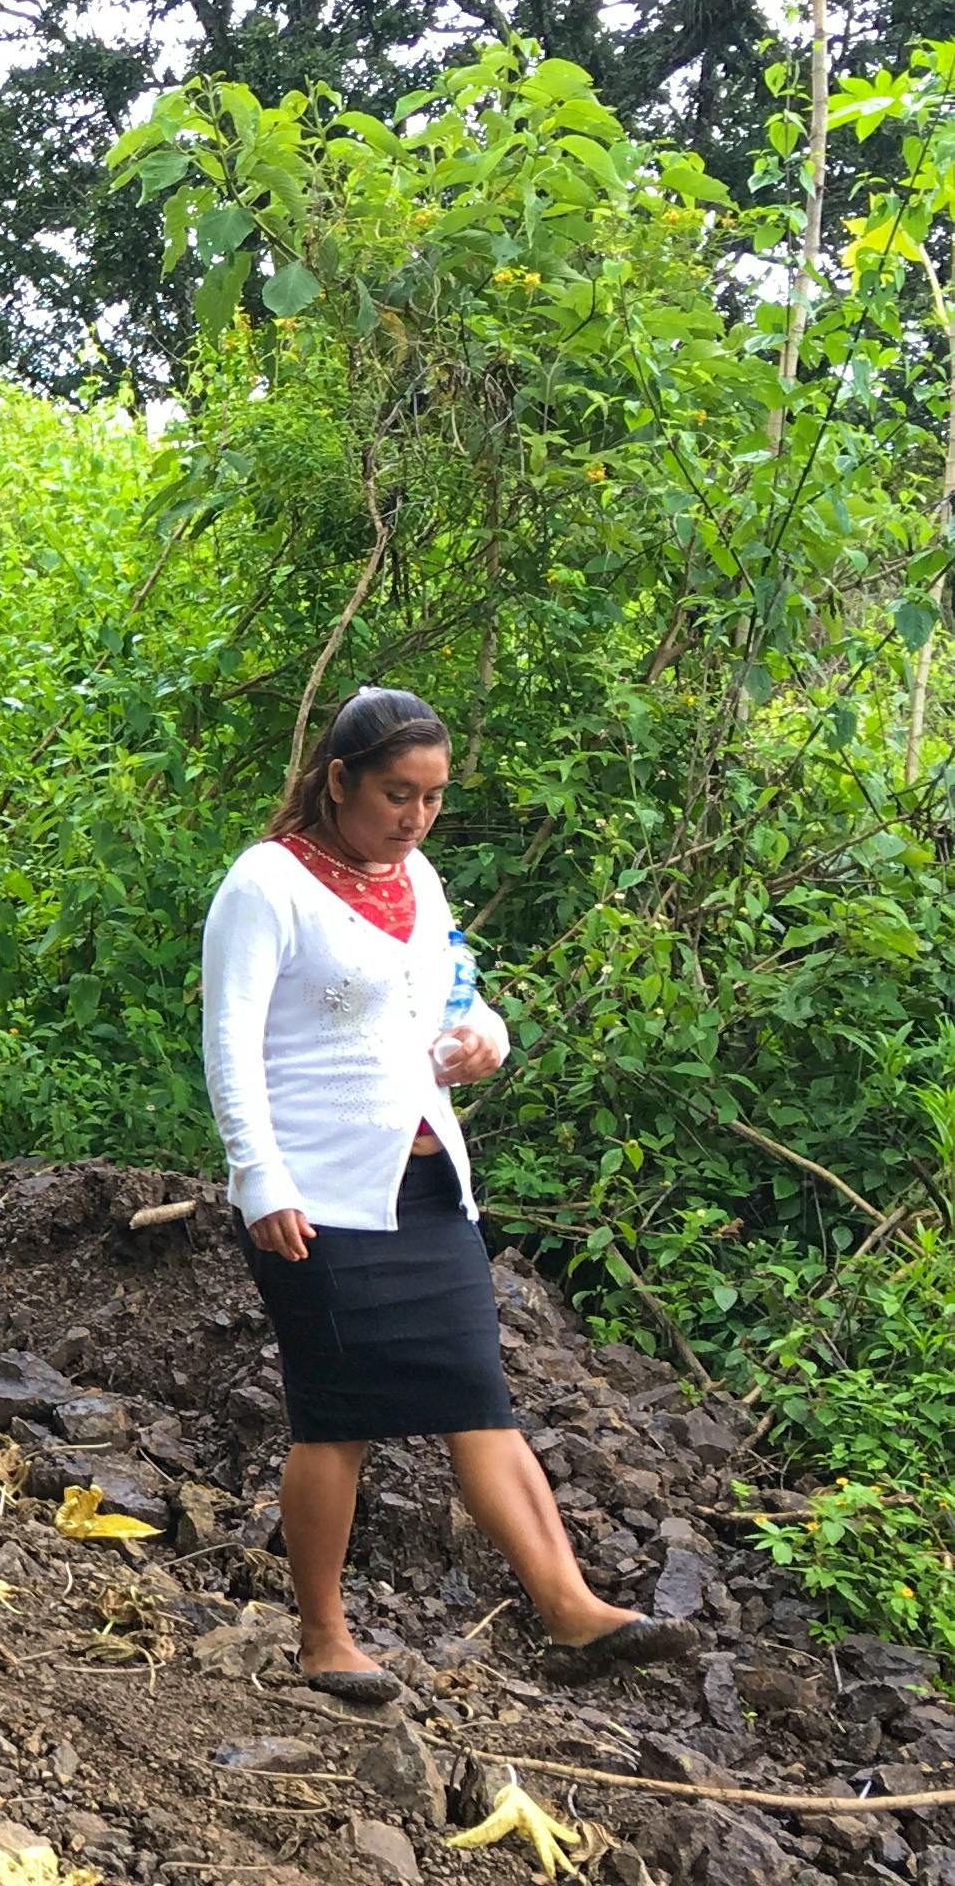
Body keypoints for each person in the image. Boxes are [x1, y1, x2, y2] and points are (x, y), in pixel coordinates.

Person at [204, 686, 697, 1699]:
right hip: (317, 1195)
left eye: (431, 798)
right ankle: (323, 1636)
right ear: (336, 780)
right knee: (332, 1417)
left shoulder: (416, 879)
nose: (415, 816)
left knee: (481, 1399)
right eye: (396, 793)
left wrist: (489, 1036)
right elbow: (229, 1044)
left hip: (428, 1185)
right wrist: (259, 1179)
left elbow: (453, 988)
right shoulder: (265, 884)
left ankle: (568, 1610)